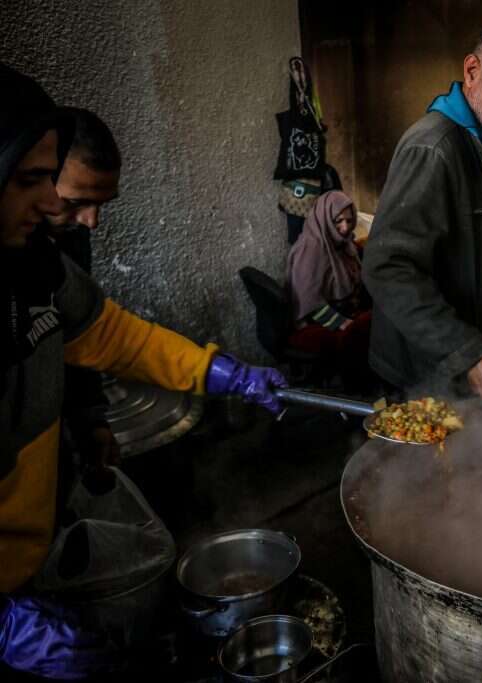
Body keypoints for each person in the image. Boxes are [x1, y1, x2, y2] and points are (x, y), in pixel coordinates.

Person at [0, 64, 287, 679]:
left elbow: (108, 334)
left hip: (35, 535)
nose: (54, 205)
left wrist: (222, 373)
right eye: (31, 181)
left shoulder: (35, 266)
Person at [363, 23, 482, 400]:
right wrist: (469, 351)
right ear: (472, 71)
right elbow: (387, 267)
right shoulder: (434, 148)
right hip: (426, 376)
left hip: (468, 365)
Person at [45, 107, 123, 484]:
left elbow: (80, 331)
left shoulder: (70, 235)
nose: (91, 222)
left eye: (101, 204)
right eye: (75, 202)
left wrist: (92, 418)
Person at [286, 190, 371, 375]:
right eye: (338, 221)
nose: (345, 228)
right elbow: (310, 303)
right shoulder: (311, 249)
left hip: (345, 312)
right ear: (324, 219)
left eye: (349, 221)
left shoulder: (344, 245)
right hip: (318, 321)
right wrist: (342, 323)